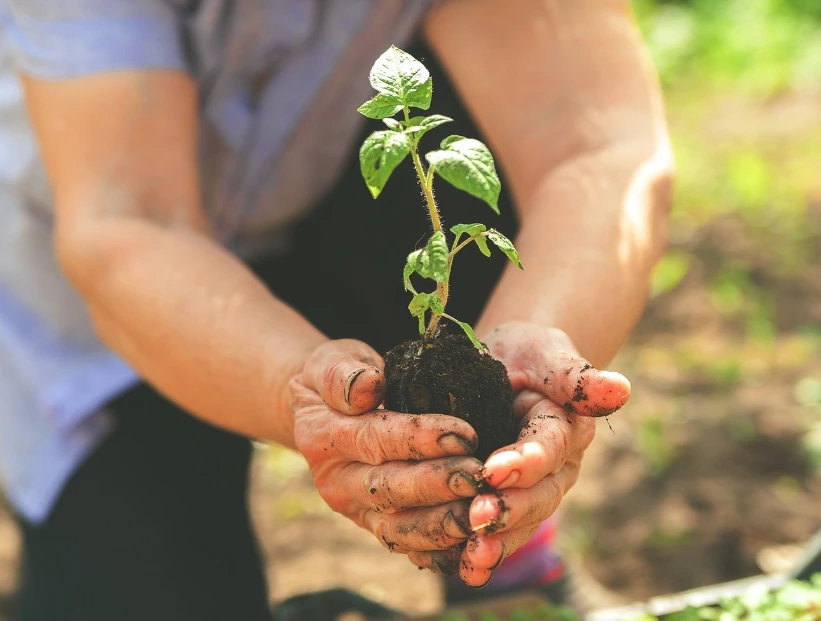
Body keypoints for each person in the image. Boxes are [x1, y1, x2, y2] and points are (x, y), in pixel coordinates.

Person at [0, 0, 672, 619]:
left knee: (469, 145)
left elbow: (594, 147)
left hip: (312, 203)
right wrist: (298, 392)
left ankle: (501, 536)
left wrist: (540, 341)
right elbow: (130, 221)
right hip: (88, 291)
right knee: (141, 588)